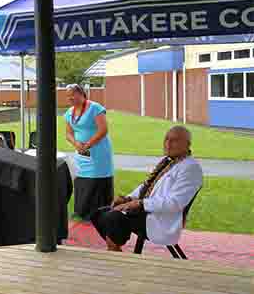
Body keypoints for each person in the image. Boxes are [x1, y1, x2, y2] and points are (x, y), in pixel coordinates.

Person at [91, 126, 202, 252]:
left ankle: (114, 254)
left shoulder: (191, 168)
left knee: (114, 217)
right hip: (145, 211)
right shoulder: (169, 161)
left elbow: (175, 203)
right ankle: (115, 249)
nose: (168, 144)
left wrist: (140, 204)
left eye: (174, 140)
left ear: (187, 144)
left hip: (159, 218)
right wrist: (127, 198)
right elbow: (147, 185)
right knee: (99, 213)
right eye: (166, 139)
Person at [64, 84, 114, 221]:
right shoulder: (69, 113)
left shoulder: (95, 108)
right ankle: (82, 212)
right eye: (68, 96)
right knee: (81, 178)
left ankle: (98, 213)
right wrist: (76, 144)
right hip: (80, 153)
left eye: (72, 94)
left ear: (81, 94)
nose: (70, 98)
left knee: (96, 178)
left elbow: (103, 130)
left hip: (98, 152)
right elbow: (68, 134)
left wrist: (88, 145)